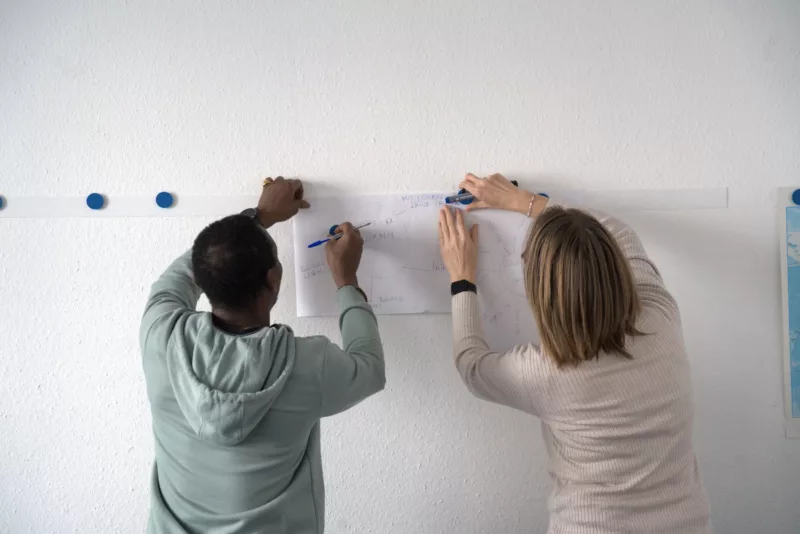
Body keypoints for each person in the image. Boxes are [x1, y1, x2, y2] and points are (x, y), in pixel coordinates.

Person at [438, 173, 712, 534]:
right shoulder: (661, 318)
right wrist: (526, 201)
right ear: (615, 265)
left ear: (541, 293)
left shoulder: (544, 373)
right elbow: (621, 232)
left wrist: (461, 278)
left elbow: (471, 366)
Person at [140, 177, 385, 534]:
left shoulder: (159, 335)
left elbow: (185, 271)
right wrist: (346, 280)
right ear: (273, 279)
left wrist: (260, 215)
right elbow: (370, 368)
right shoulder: (306, 365)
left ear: (204, 283)